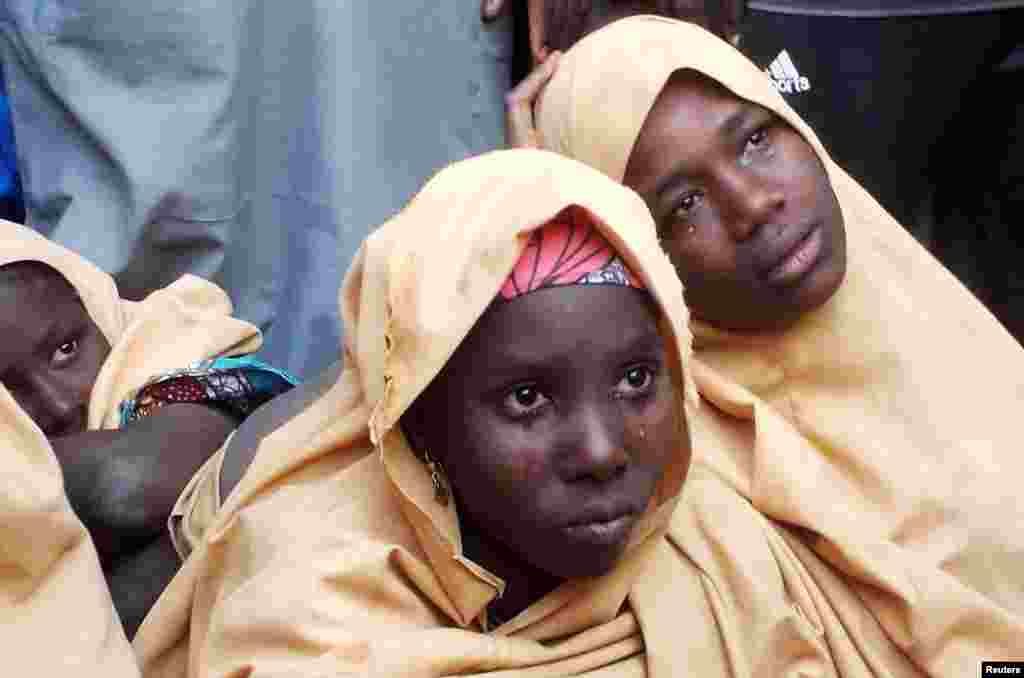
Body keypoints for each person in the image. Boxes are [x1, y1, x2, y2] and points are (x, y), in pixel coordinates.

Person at [517, 15, 1024, 667]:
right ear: (634, 256)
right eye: (684, 204)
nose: (752, 204)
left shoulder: (924, 313)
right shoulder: (685, 502)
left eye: (755, 139)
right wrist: (542, 232)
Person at [133, 149, 730, 676]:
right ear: (419, 420)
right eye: (527, 398)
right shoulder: (305, 616)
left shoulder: (722, 558)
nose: (601, 451)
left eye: (635, 379)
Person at [0, 222, 297, 637]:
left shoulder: (185, 361)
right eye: (7, 393)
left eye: (65, 350)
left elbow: (126, 484)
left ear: (93, 305)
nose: (59, 403)